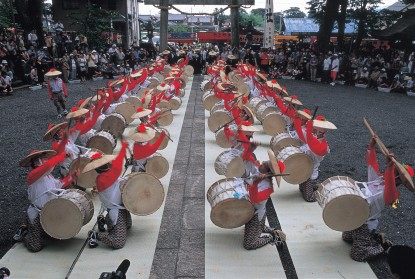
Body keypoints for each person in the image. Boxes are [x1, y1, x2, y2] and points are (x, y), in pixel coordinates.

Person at [341, 137, 414, 262]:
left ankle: (383, 247)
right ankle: (372, 239)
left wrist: (390, 168)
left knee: (357, 255)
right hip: (356, 215)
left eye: (395, 173)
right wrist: (372, 147)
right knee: (346, 237)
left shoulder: (394, 194)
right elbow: (372, 164)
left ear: (398, 180)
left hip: (366, 224)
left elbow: (390, 195)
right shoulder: (378, 179)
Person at [14, 149, 78, 252]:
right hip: (38, 213)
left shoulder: (49, 176)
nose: (46, 160)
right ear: (36, 162)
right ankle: (25, 233)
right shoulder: (32, 176)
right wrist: (62, 155)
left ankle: (32, 229)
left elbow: (60, 185)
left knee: (59, 237)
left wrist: (72, 176)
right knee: (35, 247)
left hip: (50, 211)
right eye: (43, 159)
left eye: (45, 159)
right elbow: (48, 166)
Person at [87, 143, 132, 249]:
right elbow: (117, 164)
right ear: (106, 165)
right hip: (115, 209)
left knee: (128, 225)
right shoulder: (105, 178)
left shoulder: (104, 176)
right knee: (118, 243)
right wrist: (124, 148)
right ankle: (96, 235)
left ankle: (105, 220)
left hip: (120, 207)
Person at [298, 116, 336, 202]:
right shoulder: (313, 138)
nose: (313, 130)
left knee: (309, 198)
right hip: (305, 167)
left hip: (311, 171)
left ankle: (323, 193)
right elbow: (304, 135)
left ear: (321, 132)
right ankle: (314, 185)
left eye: (316, 129)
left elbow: (312, 145)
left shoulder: (323, 146)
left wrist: (309, 130)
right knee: (301, 187)